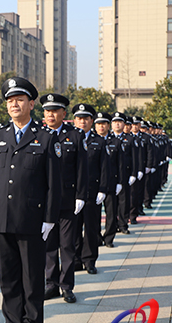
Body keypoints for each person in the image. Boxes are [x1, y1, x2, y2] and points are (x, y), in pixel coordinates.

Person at [0, 77, 61, 323]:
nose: (14, 104)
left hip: (32, 218)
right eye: (9, 101)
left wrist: (50, 219)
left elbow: (53, 184)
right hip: (3, 216)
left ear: (31, 103)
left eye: (19, 99)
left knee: (32, 277)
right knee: (8, 275)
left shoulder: (45, 138)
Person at [39, 93, 87, 303]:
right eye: (47, 111)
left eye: (55, 110)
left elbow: (82, 169)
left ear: (63, 113)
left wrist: (81, 195)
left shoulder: (75, 135)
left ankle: (66, 285)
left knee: (67, 244)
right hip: (44, 201)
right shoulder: (37, 135)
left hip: (68, 199)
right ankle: (51, 283)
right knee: (48, 244)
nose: (51, 114)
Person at [72, 104, 109, 274]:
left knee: (91, 227)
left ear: (91, 121)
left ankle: (90, 260)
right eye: (79, 118)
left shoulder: (99, 141)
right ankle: (76, 259)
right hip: (72, 192)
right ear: (74, 120)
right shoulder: (68, 139)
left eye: (86, 119)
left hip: (92, 192)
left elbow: (104, 167)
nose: (82, 122)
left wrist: (103, 188)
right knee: (73, 228)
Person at [94, 112, 122, 248]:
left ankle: (109, 238)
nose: (101, 127)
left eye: (103, 124)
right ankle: (97, 237)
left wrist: (120, 182)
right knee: (94, 215)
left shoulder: (115, 142)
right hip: (95, 184)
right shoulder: (90, 141)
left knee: (111, 213)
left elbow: (120, 165)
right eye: (98, 124)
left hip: (111, 183)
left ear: (107, 125)